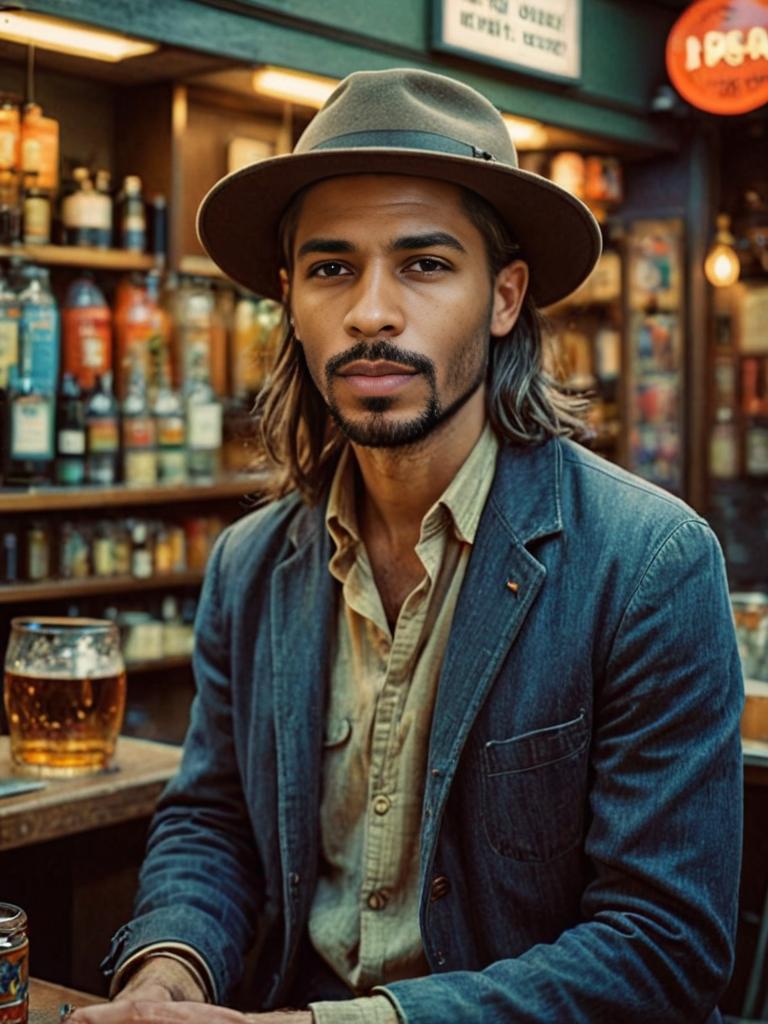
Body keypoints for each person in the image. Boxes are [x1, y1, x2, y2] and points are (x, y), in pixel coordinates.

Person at [72, 68, 743, 1024]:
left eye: (424, 264)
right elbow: (213, 821)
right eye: (331, 267)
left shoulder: (648, 564)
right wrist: (167, 977)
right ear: (289, 300)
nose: (371, 312)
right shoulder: (252, 564)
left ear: (505, 297)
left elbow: (662, 949)